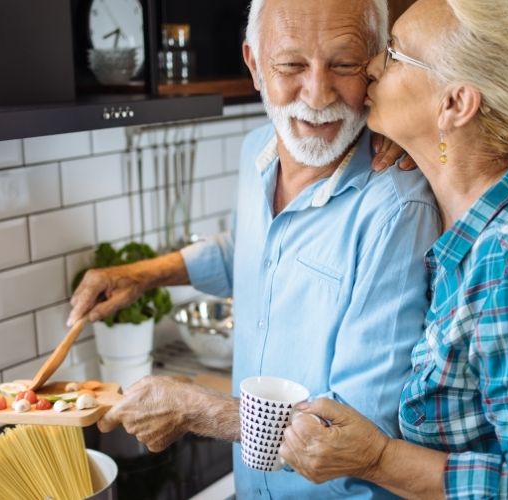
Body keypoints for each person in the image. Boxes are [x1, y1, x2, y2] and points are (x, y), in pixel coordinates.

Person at [66, 0, 441, 497]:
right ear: (254, 65)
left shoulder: (397, 207)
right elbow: (254, 249)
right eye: (290, 65)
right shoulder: (256, 150)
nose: (317, 93)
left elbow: (358, 426)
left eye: (344, 64)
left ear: (375, 64)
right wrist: (145, 274)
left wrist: (198, 409)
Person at [279, 0, 508, 498]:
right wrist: (416, 141)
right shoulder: (498, 186)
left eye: (394, 55)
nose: (371, 66)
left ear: (455, 104)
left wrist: (378, 458)